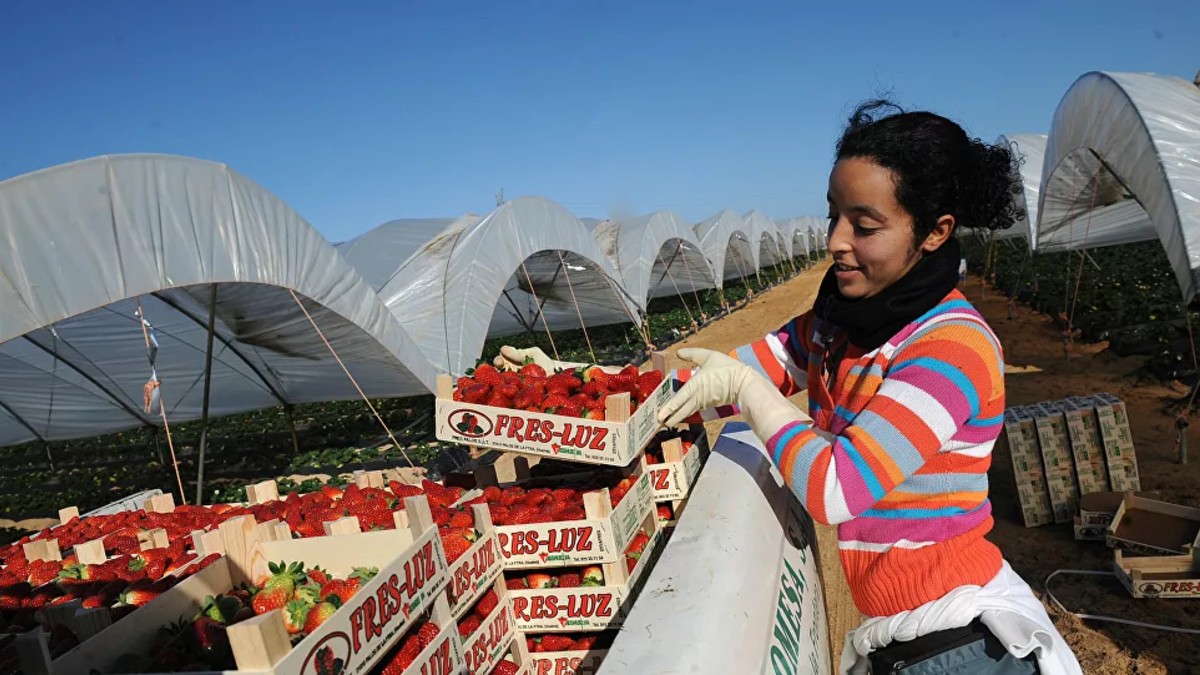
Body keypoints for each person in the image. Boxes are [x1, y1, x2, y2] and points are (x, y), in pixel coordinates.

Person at [652, 101, 1084, 674]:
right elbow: (734, 373)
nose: (835, 240)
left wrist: (753, 394)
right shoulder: (843, 323)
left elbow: (837, 488)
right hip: (901, 634)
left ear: (935, 232)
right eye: (833, 215)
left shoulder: (951, 348)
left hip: (954, 640)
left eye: (865, 225)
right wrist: (605, 385)